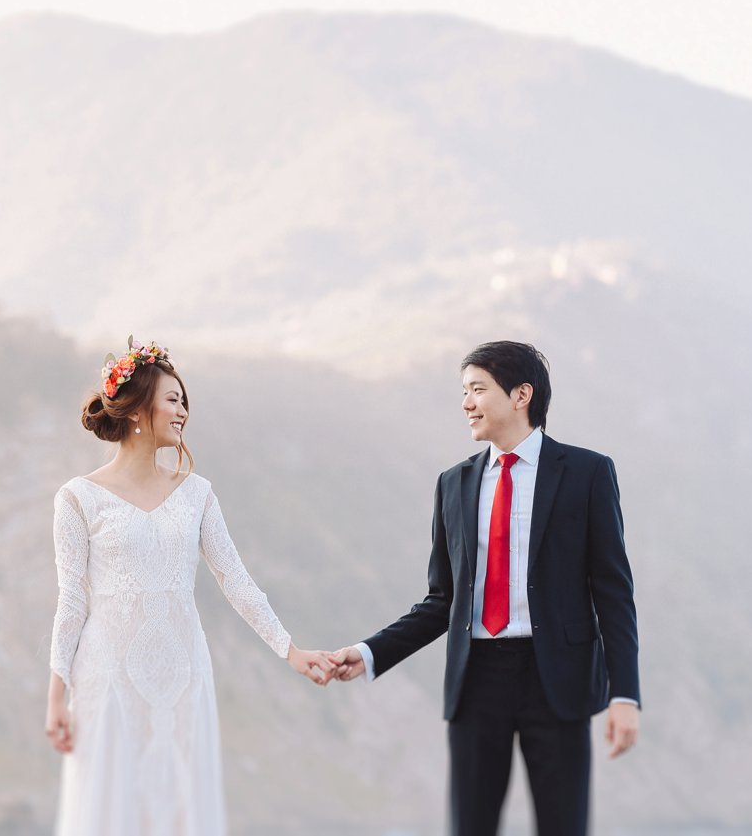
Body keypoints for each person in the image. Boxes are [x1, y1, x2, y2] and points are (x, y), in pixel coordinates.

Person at [329, 341, 640, 836]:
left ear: (521, 394)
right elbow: (441, 602)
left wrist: (626, 695)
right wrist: (368, 653)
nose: (466, 403)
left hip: (557, 679)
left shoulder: (587, 473)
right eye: (464, 391)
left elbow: (613, 594)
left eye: (477, 389)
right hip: (476, 681)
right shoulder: (452, 484)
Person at [45, 337, 337, 836]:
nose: (183, 412)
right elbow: (71, 603)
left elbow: (236, 581)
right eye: (173, 400)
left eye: (185, 402)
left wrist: (290, 651)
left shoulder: (197, 494)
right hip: (107, 678)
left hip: (182, 677)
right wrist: (57, 697)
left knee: (181, 810)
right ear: (138, 408)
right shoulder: (77, 499)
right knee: (111, 810)